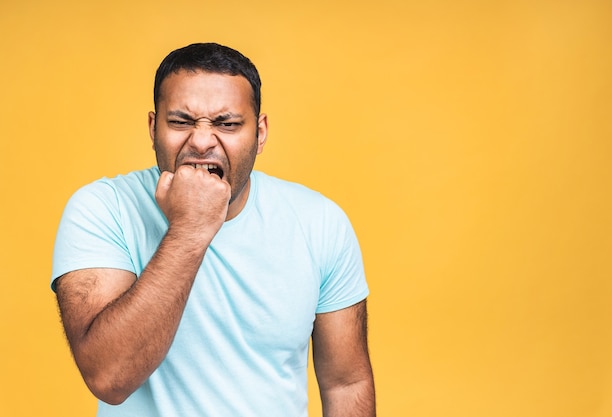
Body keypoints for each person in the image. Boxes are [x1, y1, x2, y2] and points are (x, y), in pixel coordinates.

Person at [51, 42, 375, 417]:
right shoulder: (102, 209)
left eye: (227, 124)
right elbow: (109, 377)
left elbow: (346, 384)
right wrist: (189, 229)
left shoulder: (320, 222)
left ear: (261, 132)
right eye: (181, 122)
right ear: (154, 128)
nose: (202, 141)